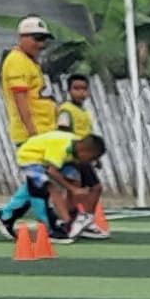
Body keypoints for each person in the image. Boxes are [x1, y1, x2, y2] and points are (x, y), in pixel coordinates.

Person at [0, 127, 96, 240]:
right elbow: (52, 171)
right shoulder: (62, 147)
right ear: (84, 150)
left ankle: (5, 215)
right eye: (90, 158)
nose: (88, 161)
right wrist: (73, 189)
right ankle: (49, 228)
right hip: (30, 158)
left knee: (38, 187)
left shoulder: (76, 144)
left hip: (44, 158)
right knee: (46, 188)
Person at [53, 71, 112, 239]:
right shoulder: (66, 110)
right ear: (69, 91)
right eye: (76, 89)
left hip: (84, 156)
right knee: (80, 189)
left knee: (91, 189)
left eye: (84, 89)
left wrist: (95, 157)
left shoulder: (84, 112)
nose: (81, 92)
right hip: (73, 157)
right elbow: (62, 132)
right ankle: (72, 221)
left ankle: (83, 220)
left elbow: (88, 136)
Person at [0, 19, 56, 145]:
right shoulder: (17, 61)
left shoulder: (29, 61)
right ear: (21, 37)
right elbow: (21, 100)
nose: (41, 44)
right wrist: (32, 134)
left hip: (44, 133)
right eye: (37, 39)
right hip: (32, 135)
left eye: (43, 40)